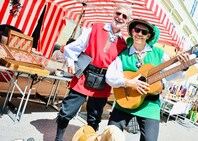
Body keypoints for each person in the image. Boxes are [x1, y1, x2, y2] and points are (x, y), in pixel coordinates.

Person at [54, 4, 132, 141]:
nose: (120, 18)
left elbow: (120, 68)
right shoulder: (96, 28)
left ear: (127, 21)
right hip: (84, 76)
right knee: (67, 112)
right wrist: (71, 63)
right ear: (113, 14)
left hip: (103, 82)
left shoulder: (123, 44)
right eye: (118, 14)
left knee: (94, 119)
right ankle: (58, 139)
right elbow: (76, 46)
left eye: (124, 16)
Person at [105, 19, 190, 141]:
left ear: (148, 36)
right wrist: (129, 82)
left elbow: (172, 75)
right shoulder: (123, 55)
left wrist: (184, 67)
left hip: (150, 105)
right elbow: (110, 76)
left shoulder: (159, 54)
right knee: (110, 133)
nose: (139, 34)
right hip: (125, 99)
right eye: (137, 30)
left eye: (144, 32)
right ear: (132, 32)